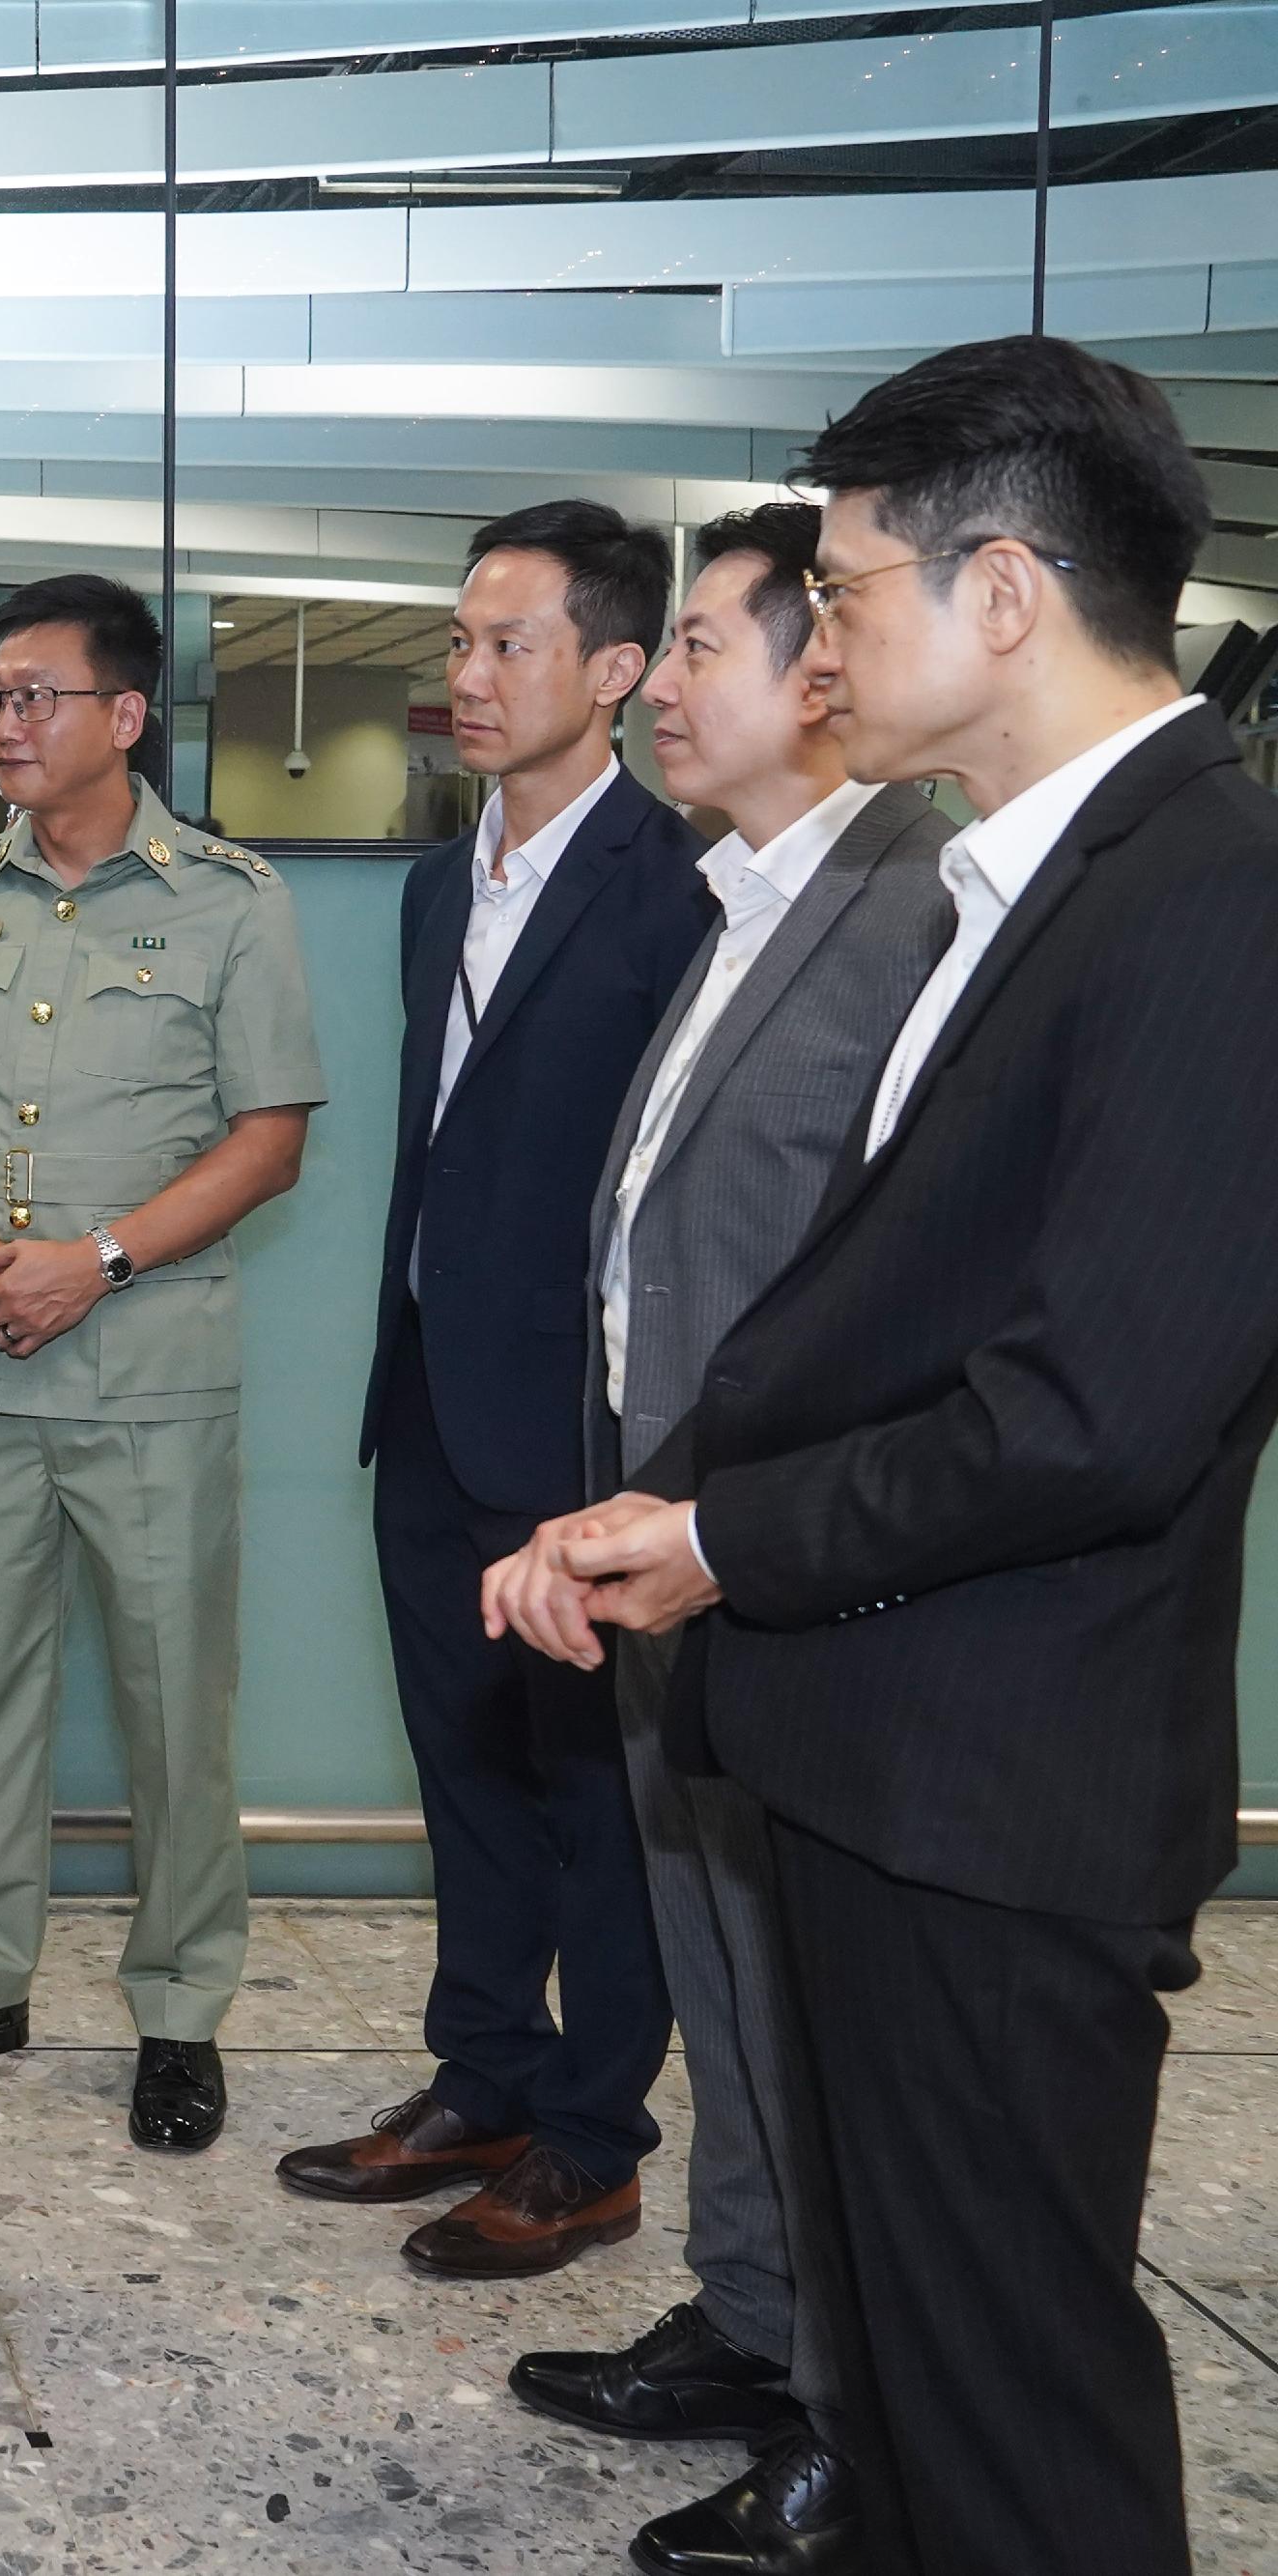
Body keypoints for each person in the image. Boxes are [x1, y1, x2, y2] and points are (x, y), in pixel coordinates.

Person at [505, 336, 1278, 2576]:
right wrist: (676, 1513)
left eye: (842, 593)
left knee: (1012, 2430)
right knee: (914, 2412)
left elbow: (1094, 1411)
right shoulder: (1008, 877)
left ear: (1007, 595)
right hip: (881, 1759)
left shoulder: (1205, 896)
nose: (817, 639)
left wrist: (724, 1533)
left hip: (998, 1801)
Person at [483, 502, 951, 2573]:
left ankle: (854, 2420)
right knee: (713, 1963)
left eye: (698, 650)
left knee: (809, 2002)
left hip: (790, 1559)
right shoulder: (737, 899)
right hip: (665, 1536)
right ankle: (753, 2321)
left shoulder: (911, 912)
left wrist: (718, 1514)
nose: (654, 686)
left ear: (818, 676)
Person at [278, 501, 710, 2275]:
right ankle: (488, 2076)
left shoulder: (678, 883)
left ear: (614, 672)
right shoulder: (437, 881)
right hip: (432, 1401)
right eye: (456, 642)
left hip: (588, 1437)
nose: (464, 676)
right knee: (464, 1765)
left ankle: (597, 2140)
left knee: (597, 1802)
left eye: (505, 644)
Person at [0, 574, 326, 2152]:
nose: (3, 722)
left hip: (150, 1372)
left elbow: (269, 1141)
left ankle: (181, 2006)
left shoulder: (231, 899)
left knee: (176, 1699)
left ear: (126, 716)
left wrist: (93, 1261)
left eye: (35, 693)